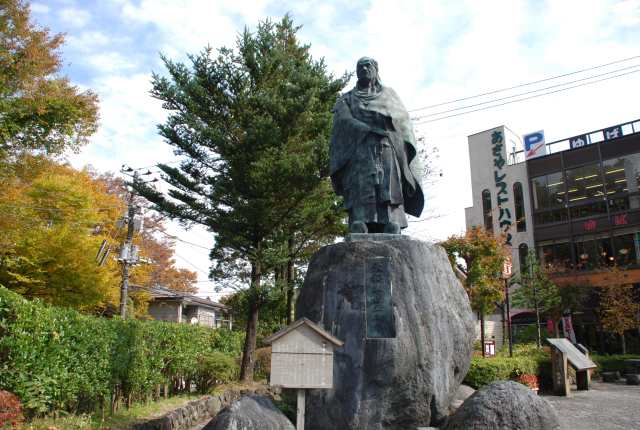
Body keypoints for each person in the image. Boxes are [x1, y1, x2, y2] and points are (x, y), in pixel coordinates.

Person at [330, 57, 424, 234]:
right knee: (360, 183)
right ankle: (360, 221)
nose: (364, 69)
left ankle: (392, 220)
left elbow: (402, 121)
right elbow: (342, 121)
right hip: (359, 147)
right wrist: (365, 128)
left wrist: (386, 123)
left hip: (386, 145)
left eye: (368, 66)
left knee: (388, 182)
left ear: (375, 70)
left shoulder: (389, 95)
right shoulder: (347, 99)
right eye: (360, 67)